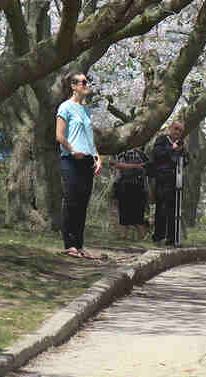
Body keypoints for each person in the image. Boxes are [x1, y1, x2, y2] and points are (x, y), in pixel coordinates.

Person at [56, 72, 101, 259]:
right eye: (82, 82)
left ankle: (80, 244)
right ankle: (70, 245)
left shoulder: (86, 110)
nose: (86, 84)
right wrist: (73, 150)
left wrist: (98, 156)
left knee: (83, 203)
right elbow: (59, 136)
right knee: (71, 201)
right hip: (71, 159)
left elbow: (90, 138)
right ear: (73, 86)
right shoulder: (65, 107)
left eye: (86, 81)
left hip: (87, 160)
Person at [151, 121, 187, 247]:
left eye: (180, 131)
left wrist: (183, 151)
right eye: (176, 129)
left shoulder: (181, 143)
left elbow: (185, 161)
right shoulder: (162, 140)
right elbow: (156, 155)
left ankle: (172, 239)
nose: (177, 132)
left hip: (176, 179)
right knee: (162, 208)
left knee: (175, 209)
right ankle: (158, 237)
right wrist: (172, 148)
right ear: (170, 128)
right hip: (162, 178)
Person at [112, 144, 149, 240]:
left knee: (139, 213)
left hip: (139, 185)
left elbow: (147, 167)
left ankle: (142, 237)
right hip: (123, 183)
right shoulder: (121, 150)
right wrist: (135, 166)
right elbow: (116, 164)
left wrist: (130, 167)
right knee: (123, 212)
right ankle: (123, 237)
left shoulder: (141, 153)